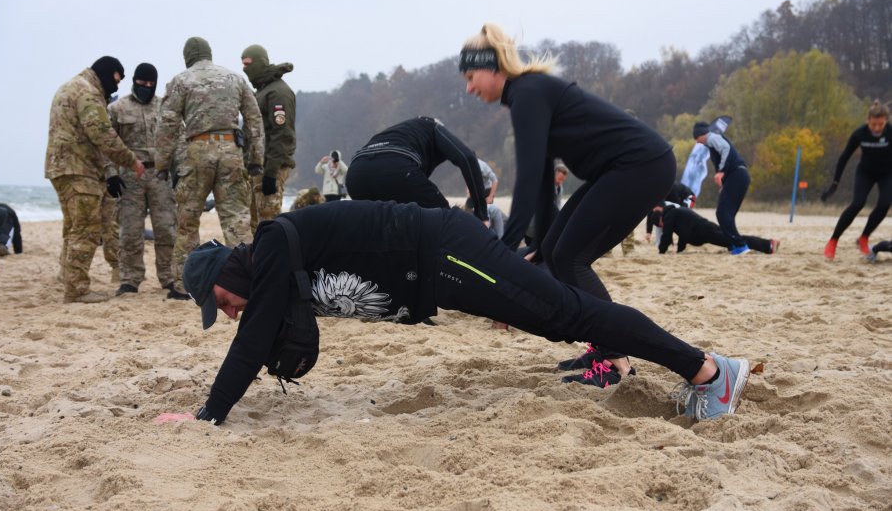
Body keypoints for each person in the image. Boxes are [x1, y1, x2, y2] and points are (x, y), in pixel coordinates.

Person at [159, 200, 750, 426]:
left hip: (447, 254)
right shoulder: (275, 263)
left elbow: (253, 336)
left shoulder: (269, 250)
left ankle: (709, 371)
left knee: (571, 316)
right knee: (564, 317)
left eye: (222, 305)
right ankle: (703, 370)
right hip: (445, 272)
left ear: (226, 278)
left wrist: (208, 414)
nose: (231, 316)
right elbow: (265, 332)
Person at [459, 23, 675, 376]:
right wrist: (540, 245)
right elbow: (543, 184)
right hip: (624, 168)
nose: (468, 88)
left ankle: (615, 359)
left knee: (571, 258)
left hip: (641, 165)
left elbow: (527, 180)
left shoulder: (528, 92)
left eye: (471, 76)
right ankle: (604, 348)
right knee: (558, 253)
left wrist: (501, 251)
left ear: (493, 66)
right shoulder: (528, 93)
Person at [155, 37, 265, 298]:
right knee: (237, 219)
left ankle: (183, 285)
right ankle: (249, 278)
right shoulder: (235, 78)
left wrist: (162, 163)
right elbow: (254, 121)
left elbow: (167, 125)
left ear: (188, 56)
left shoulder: (181, 81)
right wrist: (255, 160)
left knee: (188, 221)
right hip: (231, 151)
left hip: (196, 151)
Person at [45, 56, 145, 303]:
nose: (118, 86)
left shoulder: (71, 86)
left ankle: (67, 276)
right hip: (80, 170)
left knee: (72, 227)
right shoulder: (88, 92)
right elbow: (102, 133)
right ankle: (77, 289)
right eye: (117, 79)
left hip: (62, 168)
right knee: (86, 229)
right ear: (108, 73)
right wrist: (131, 160)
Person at [108, 62, 182, 298]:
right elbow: (107, 144)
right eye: (142, 83)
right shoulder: (118, 108)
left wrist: (180, 170)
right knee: (130, 230)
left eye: (151, 84)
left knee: (167, 230)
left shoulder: (166, 108)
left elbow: (178, 141)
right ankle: (130, 279)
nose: (146, 87)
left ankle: (169, 278)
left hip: (161, 175)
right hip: (131, 175)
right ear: (134, 82)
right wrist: (111, 174)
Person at [345, 116, 490, 224]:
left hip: (355, 175)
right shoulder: (433, 126)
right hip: (396, 167)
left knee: (384, 229)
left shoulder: (401, 132)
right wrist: (482, 214)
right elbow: (467, 158)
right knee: (445, 221)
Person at [821, 101, 892, 261]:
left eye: (880, 124)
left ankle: (864, 238)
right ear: (868, 120)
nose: (876, 128)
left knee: (884, 204)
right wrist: (835, 183)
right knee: (857, 203)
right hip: (865, 172)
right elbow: (844, 157)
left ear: (886, 121)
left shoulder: (890, 133)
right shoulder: (859, 134)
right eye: (873, 124)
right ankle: (833, 241)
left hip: (887, 174)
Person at [240, 44, 297, 235]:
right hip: (257, 166)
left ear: (260, 62)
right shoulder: (263, 91)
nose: (244, 68)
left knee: (269, 224)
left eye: (248, 63)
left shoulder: (277, 93)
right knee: (256, 226)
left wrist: (271, 173)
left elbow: (282, 135)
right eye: (243, 64)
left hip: (270, 167)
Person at [692, 119, 751, 255]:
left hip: (737, 175)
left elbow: (726, 148)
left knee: (722, 213)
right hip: (739, 176)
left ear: (702, 135)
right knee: (727, 214)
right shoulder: (711, 141)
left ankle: (740, 245)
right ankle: (734, 246)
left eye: (697, 138)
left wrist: (721, 171)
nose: (697, 142)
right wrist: (723, 184)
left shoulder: (712, 138)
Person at [652, 204, 779, 255]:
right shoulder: (676, 212)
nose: (662, 228)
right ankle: (767, 245)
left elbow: (666, 236)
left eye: (660, 226)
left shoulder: (670, 216)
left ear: (660, 220)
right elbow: (683, 234)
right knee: (733, 239)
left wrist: (661, 252)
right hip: (706, 228)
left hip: (705, 231)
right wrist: (680, 250)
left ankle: (768, 245)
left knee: (735, 240)